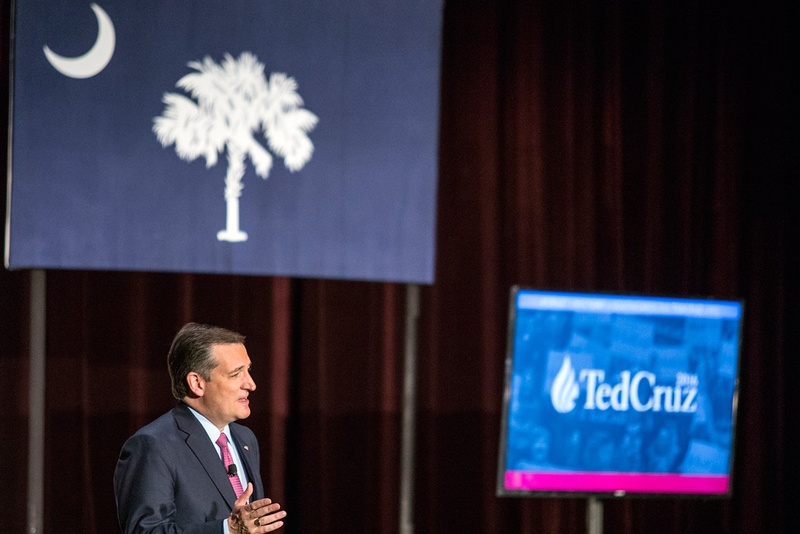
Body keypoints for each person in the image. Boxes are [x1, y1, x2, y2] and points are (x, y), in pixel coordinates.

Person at [114, 322, 286, 533]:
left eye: (248, 370)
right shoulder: (153, 446)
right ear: (197, 383)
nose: (251, 384)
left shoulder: (245, 439)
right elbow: (146, 531)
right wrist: (227, 529)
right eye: (235, 374)